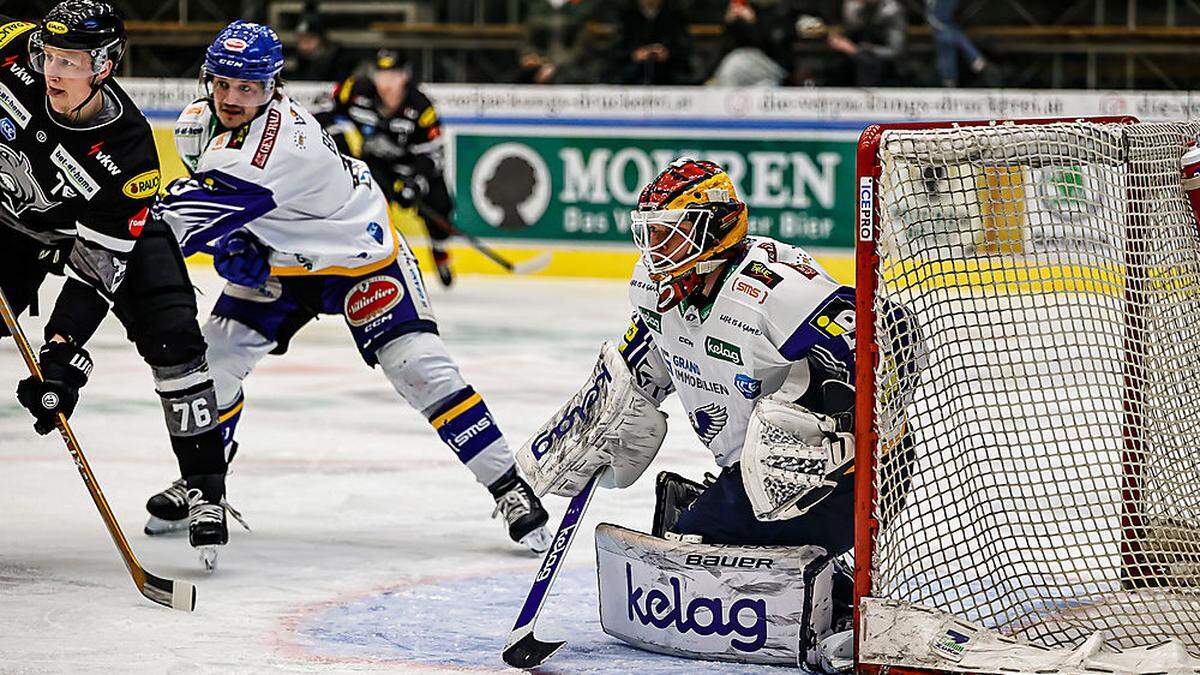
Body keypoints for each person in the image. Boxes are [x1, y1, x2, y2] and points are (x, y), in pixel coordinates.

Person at [145, 21, 552, 554]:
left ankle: (509, 487)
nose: (230, 99)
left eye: (246, 88)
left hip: (357, 256)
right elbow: (228, 212)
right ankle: (204, 484)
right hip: (283, 265)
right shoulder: (198, 125)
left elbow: (177, 224)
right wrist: (239, 243)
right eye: (222, 84)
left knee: (421, 369)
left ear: (273, 87)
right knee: (212, 365)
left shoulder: (282, 146)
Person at [0, 1, 229, 560]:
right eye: (50, 56)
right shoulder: (11, 52)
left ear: (103, 65)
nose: (54, 70)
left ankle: (206, 490)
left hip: (103, 232)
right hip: (13, 225)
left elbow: (98, 264)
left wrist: (62, 348)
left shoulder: (128, 153)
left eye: (71, 61)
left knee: (174, 337)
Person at [317, 50, 457, 287]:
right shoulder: (356, 89)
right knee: (371, 205)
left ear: (405, 76)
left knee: (440, 204)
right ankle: (365, 259)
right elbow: (322, 111)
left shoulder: (421, 107)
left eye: (393, 76)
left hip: (412, 165)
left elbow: (433, 155)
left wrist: (415, 183)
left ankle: (439, 251)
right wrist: (338, 141)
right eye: (381, 75)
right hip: (374, 164)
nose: (386, 83)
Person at [826, 0, 906, 86]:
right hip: (856, 61)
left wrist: (856, 50)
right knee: (836, 63)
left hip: (883, 66)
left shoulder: (891, 10)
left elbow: (895, 51)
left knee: (867, 64)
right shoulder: (854, 7)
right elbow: (851, 34)